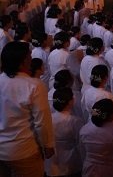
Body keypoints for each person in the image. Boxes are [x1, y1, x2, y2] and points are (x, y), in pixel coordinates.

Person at [0, 41, 55, 177]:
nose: (31, 60)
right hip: (24, 150)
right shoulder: (34, 85)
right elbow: (41, 122)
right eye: (29, 57)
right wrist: (47, 145)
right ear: (23, 61)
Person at [79, 98, 113, 177]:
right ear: (112, 115)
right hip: (112, 171)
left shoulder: (84, 130)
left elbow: (83, 154)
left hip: (89, 170)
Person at [45, 88, 82, 177]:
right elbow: (80, 143)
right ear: (70, 102)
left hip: (51, 161)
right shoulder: (74, 121)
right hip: (71, 162)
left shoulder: (47, 119)